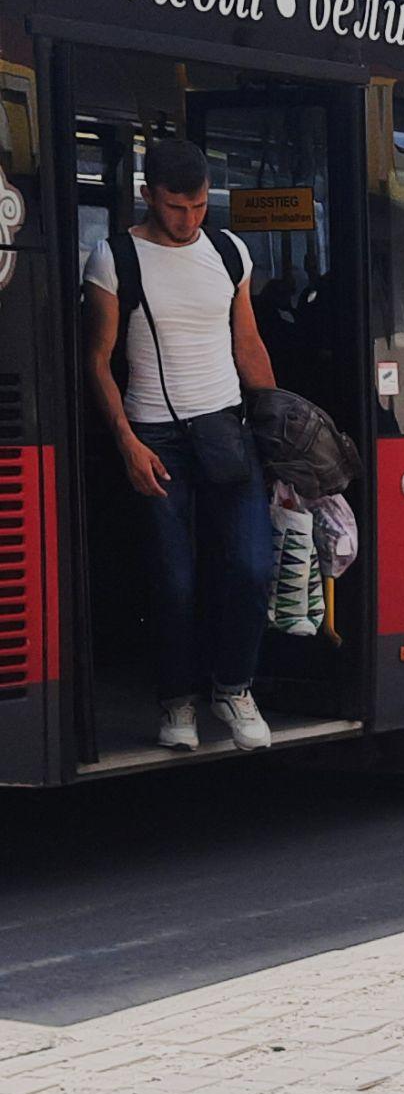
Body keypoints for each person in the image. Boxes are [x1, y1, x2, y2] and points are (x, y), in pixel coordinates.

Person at [82, 138, 277, 753]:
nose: (189, 220)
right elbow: (97, 360)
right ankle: (177, 702)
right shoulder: (115, 259)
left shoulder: (227, 251)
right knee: (175, 582)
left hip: (225, 427)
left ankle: (232, 688)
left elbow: (249, 347)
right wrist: (126, 444)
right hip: (155, 436)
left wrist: (277, 435)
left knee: (250, 566)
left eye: (198, 207)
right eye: (175, 207)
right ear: (148, 195)